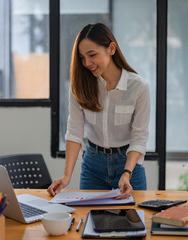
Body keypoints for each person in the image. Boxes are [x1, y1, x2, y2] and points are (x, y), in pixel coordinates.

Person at [47, 23, 150, 199]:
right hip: (93, 164)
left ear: (111, 48)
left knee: (135, 222)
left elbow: (139, 137)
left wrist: (126, 173)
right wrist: (67, 176)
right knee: (88, 220)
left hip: (129, 165)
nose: (87, 63)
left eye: (92, 55)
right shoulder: (80, 87)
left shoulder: (138, 87)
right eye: (82, 58)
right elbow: (74, 132)